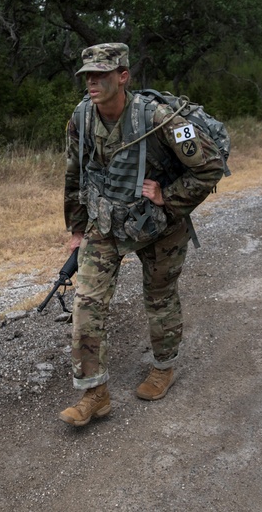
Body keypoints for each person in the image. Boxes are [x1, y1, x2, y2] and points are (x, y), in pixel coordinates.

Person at [58, 43, 226, 427]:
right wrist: (77, 229)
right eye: (88, 76)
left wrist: (169, 197)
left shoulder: (160, 118)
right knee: (87, 302)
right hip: (106, 223)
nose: (93, 83)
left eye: (101, 75)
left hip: (159, 225)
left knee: (159, 297)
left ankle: (163, 367)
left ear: (123, 76)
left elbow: (209, 167)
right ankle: (94, 393)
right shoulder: (82, 117)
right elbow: (74, 174)